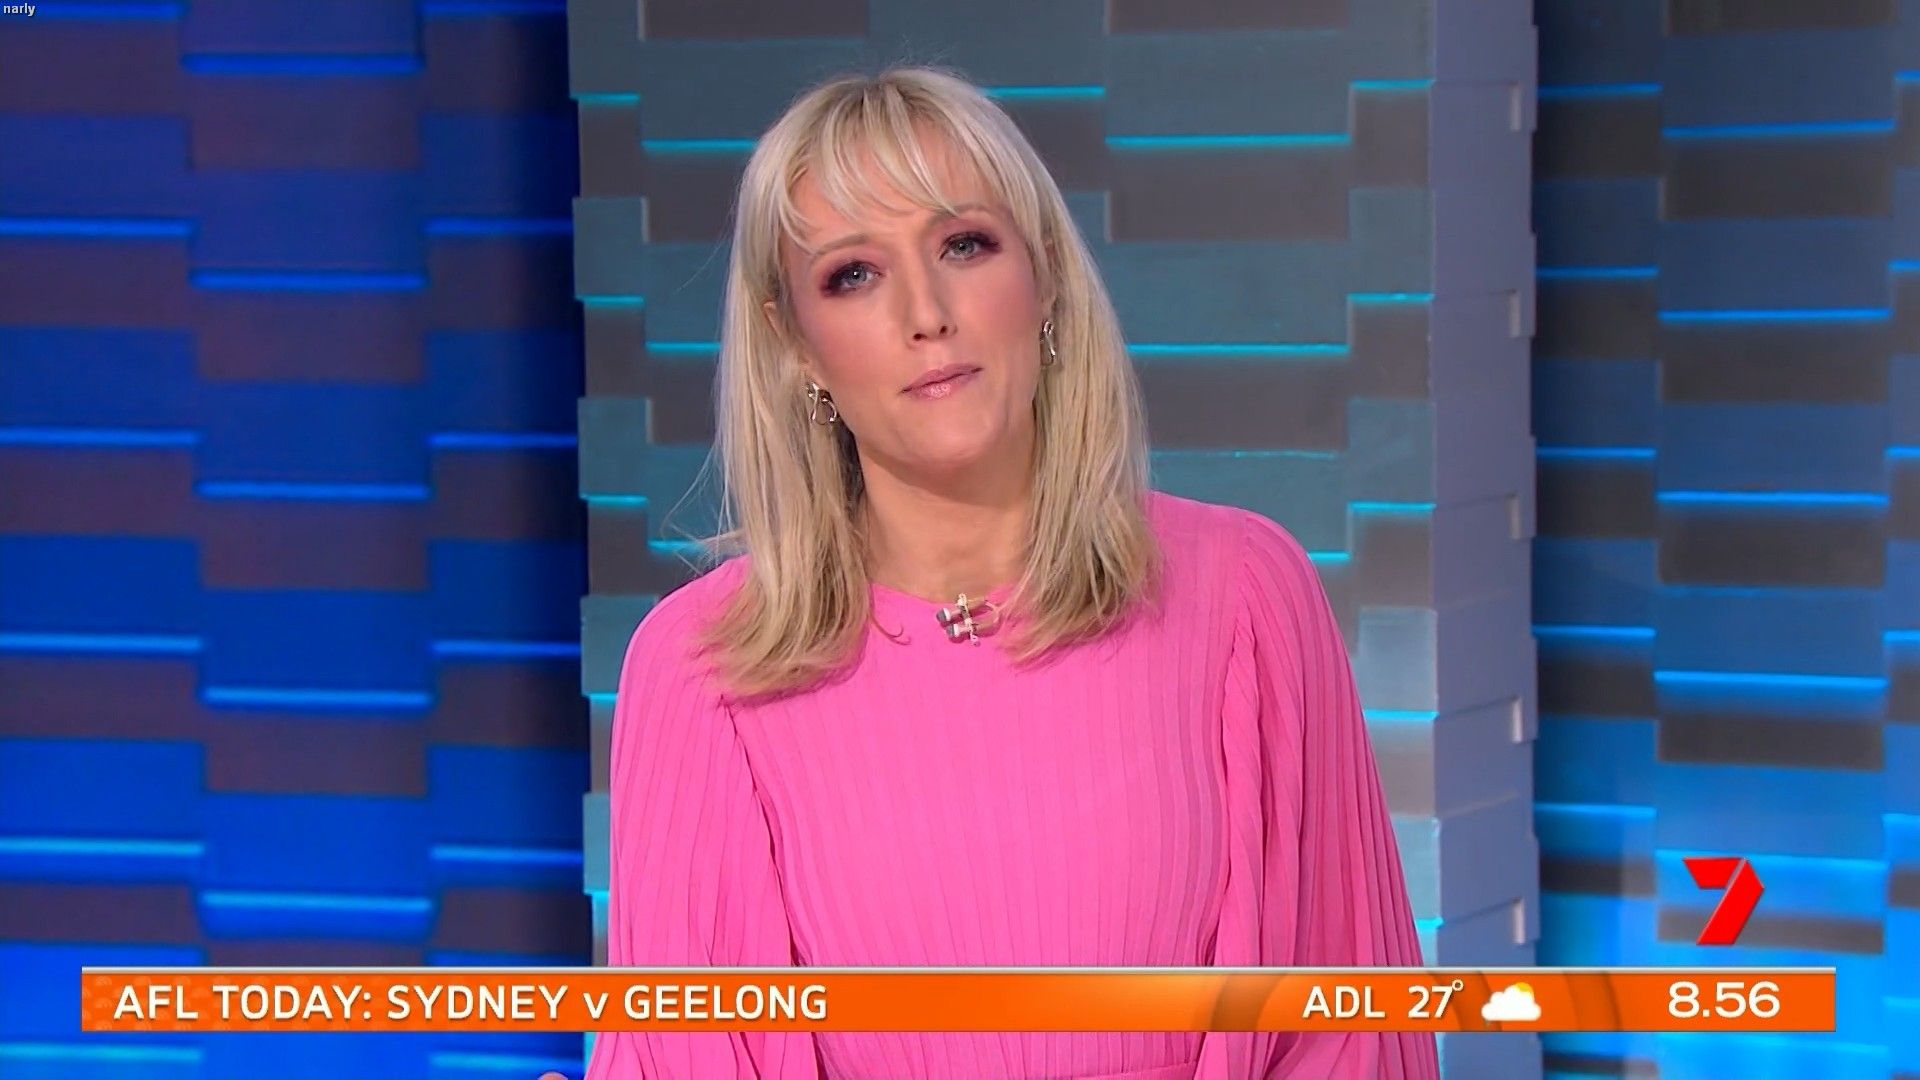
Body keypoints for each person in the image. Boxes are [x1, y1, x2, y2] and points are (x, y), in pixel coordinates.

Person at [583, 64, 1438, 1080]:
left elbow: (1347, 1033)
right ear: (795, 344)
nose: (926, 312)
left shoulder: (1246, 594)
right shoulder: (701, 671)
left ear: (1044, 277)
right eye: (852, 274)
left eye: (963, 245)